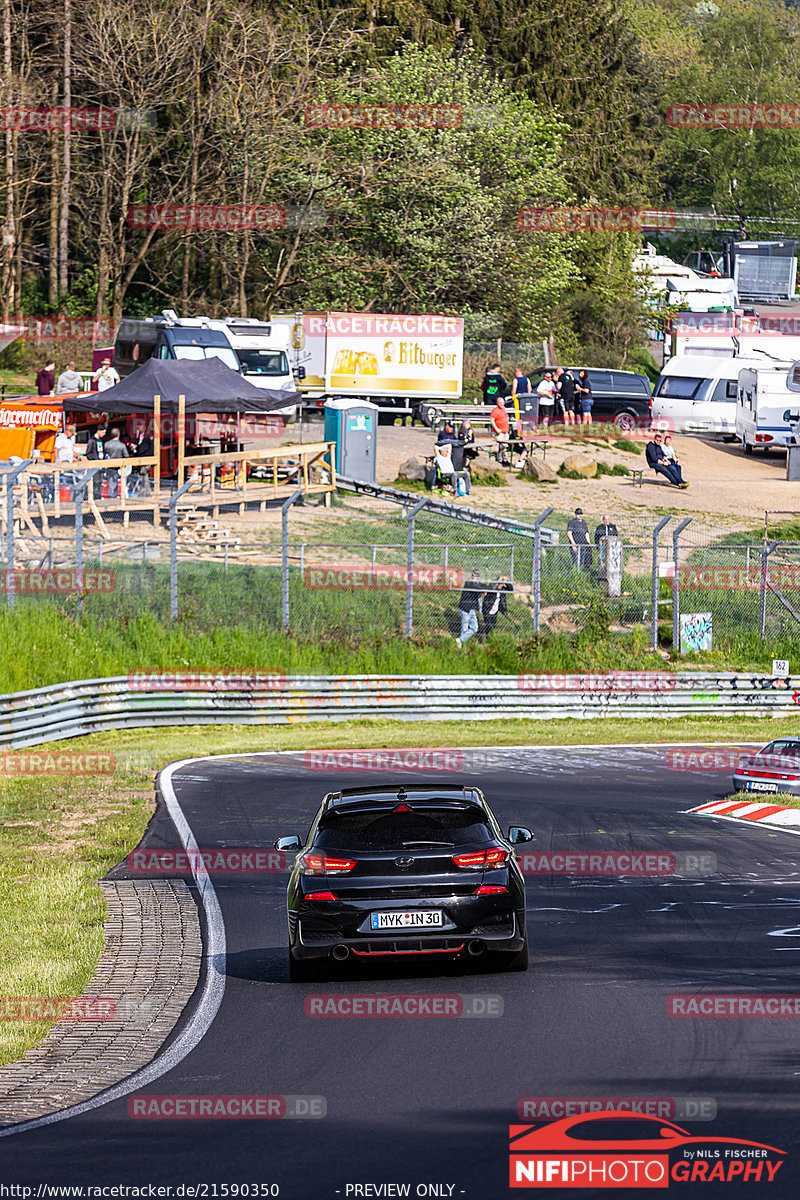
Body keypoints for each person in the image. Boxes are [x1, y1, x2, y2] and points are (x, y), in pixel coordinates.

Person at [456, 571, 483, 647]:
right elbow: (477, 587)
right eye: (474, 576)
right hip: (465, 609)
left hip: (471, 609)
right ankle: (461, 647)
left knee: (475, 628)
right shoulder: (468, 583)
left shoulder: (477, 585)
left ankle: (460, 640)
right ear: (472, 576)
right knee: (464, 629)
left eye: (477, 576)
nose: (476, 578)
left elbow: (480, 588)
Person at [103, 425, 130, 497]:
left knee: (111, 481)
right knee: (118, 481)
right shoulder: (122, 445)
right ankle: (116, 495)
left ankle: (112, 494)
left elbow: (105, 455)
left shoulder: (106, 444)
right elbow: (126, 456)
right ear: (118, 434)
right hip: (119, 467)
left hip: (109, 466)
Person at [54, 423, 76, 497]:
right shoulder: (60, 438)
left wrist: (77, 456)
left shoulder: (69, 440)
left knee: (70, 478)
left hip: (69, 462)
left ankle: (69, 495)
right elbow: (56, 449)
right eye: (72, 434)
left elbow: (71, 449)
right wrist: (58, 459)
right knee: (65, 479)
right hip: (63, 461)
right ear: (68, 431)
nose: (72, 435)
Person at [86, 424, 107, 498]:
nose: (104, 434)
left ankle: (98, 496)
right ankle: (94, 497)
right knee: (95, 482)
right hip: (95, 465)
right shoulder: (91, 440)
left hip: (100, 464)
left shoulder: (100, 441)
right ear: (98, 431)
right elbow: (88, 453)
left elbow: (102, 452)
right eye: (103, 432)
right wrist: (95, 460)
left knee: (99, 482)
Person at [489, 396, 511, 464]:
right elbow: (492, 420)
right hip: (499, 432)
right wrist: (496, 429)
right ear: (497, 403)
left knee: (505, 446)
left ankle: (505, 460)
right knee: (499, 447)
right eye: (500, 402)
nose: (502, 404)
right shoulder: (495, 410)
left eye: (502, 402)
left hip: (505, 431)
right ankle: (499, 460)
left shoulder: (504, 409)